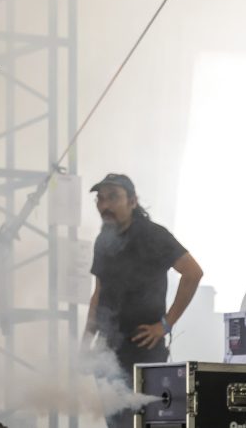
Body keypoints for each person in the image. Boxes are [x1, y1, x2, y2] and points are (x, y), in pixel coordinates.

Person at [81, 173, 203, 428]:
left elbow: (193, 272)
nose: (105, 205)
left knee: (140, 421)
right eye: (100, 199)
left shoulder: (153, 235)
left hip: (143, 347)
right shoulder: (103, 241)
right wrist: (85, 343)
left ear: (133, 201)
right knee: (115, 422)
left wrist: (165, 324)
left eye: (113, 197)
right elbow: (99, 293)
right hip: (108, 348)